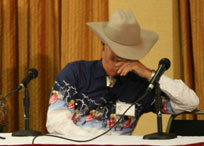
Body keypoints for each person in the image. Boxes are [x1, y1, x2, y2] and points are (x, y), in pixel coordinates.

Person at [46, 9, 199, 136]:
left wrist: (149, 74)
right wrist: (96, 145)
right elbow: (55, 121)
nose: (122, 55)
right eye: (117, 48)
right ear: (103, 44)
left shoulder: (140, 85)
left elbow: (189, 103)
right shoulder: (76, 72)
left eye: (128, 51)